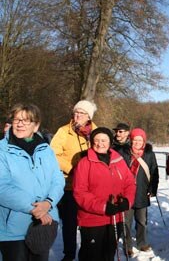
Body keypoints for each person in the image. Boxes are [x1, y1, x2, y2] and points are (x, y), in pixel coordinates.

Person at [0, 103, 65, 261]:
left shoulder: (46, 150)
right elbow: (2, 187)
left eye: (26, 120)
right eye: (17, 120)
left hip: (43, 224)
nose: (20, 124)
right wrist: (35, 208)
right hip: (13, 228)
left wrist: (48, 203)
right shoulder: (2, 150)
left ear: (36, 126)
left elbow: (57, 179)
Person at [73, 127, 136, 261]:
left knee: (109, 254)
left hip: (115, 217)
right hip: (92, 220)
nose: (100, 143)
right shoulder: (85, 163)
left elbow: (130, 183)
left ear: (110, 142)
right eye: (96, 140)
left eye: (104, 140)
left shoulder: (118, 160)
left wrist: (127, 200)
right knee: (92, 255)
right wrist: (102, 206)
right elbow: (80, 192)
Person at [50, 100, 98, 261]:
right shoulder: (64, 131)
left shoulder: (97, 132)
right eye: (76, 112)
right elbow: (52, 155)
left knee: (88, 224)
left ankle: (87, 254)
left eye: (82, 113)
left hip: (90, 188)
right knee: (69, 225)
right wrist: (72, 168)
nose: (77, 115)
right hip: (69, 187)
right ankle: (69, 255)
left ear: (89, 116)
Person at [124, 128, 159, 255]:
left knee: (142, 221)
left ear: (144, 141)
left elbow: (154, 172)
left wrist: (153, 189)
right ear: (131, 140)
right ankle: (127, 245)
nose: (137, 142)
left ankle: (142, 243)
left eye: (140, 140)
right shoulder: (125, 153)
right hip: (126, 192)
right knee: (126, 221)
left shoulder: (149, 154)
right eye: (134, 140)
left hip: (142, 192)